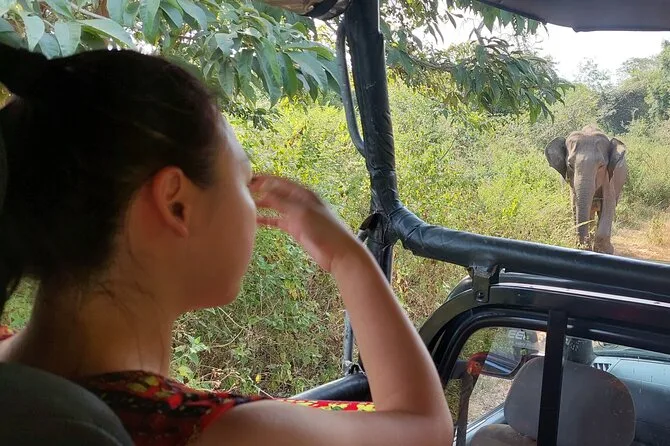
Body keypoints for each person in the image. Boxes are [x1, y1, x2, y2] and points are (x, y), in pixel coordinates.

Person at [0, 44, 453, 446]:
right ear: (176, 204)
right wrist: (348, 257)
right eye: (244, 178)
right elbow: (424, 427)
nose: (253, 203)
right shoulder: (216, 432)